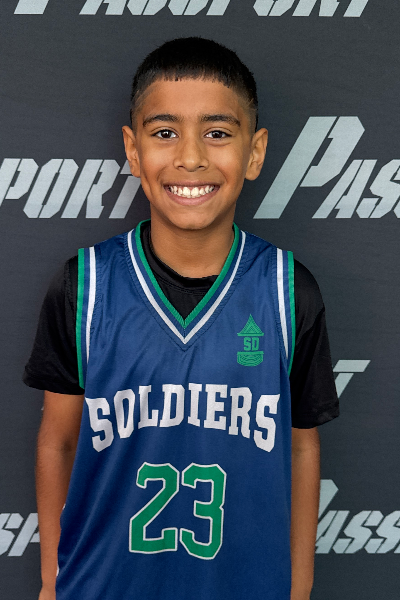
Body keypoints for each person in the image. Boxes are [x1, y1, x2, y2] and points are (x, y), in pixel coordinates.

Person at [23, 37, 339, 600]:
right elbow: (59, 442)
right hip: (104, 587)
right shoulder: (85, 286)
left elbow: (300, 447)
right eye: (165, 132)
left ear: (255, 152)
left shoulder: (288, 291)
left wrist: (299, 586)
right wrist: (52, 580)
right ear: (133, 149)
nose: (190, 157)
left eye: (217, 133)